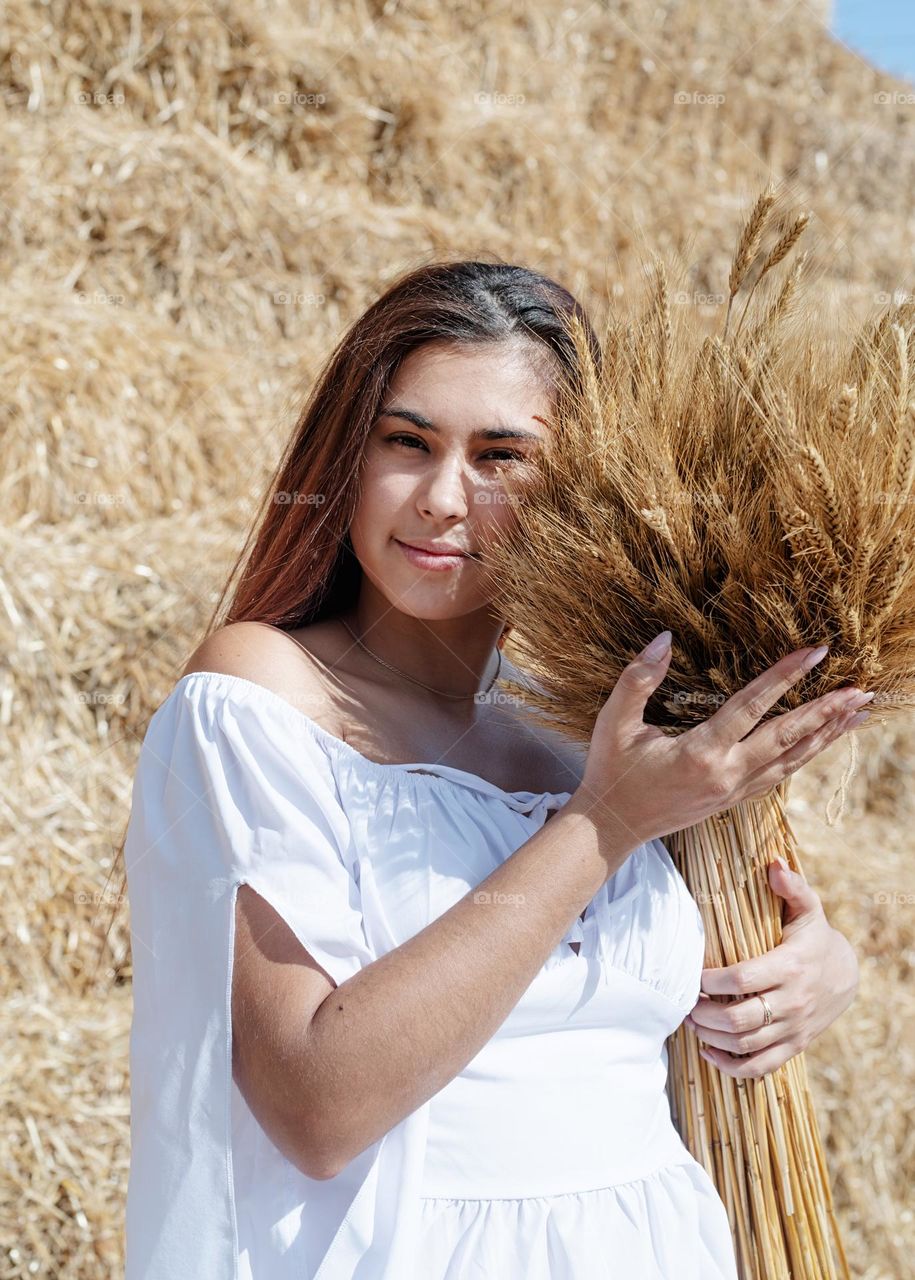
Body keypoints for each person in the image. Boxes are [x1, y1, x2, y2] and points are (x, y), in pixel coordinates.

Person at [121, 260, 864, 1279]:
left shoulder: (598, 718)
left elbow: (698, 974)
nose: (439, 498)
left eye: (500, 456)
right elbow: (317, 1102)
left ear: (576, 485)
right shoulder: (259, 694)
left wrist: (816, 969)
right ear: (348, 452)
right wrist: (601, 821)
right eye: (407, 442)